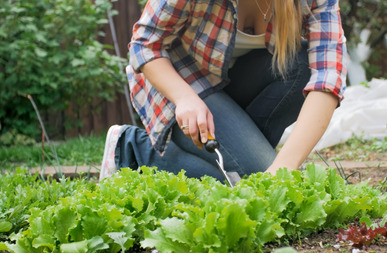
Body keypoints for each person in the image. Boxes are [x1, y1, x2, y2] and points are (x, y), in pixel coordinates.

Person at [99, 0, 347, 181]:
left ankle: (246, 159)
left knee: (301, 65)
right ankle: (131, 148)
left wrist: (284, 168)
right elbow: (144, 45)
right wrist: (185, 98)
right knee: (254, 177)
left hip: (235, 81)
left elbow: (328, 78)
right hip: (181, 81)